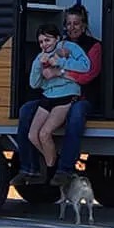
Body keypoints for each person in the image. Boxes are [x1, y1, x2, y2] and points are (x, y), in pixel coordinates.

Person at [15, 4, 102, 187]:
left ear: (84, 25)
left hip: (82, 97)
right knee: (25, 111)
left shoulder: (93, 46)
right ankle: (29, 167)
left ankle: (65, 169)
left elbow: (88, 75)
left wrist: (60, 71)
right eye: (68, 24)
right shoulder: (56, 45)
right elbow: (38, 79)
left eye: (76, 23)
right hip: (52, 94)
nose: (72, 27)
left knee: (76, 114)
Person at [24, 23, 90, 174]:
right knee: (32, 135)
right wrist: (38, 64)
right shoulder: (41, 57)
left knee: (45, 133)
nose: (44, 44)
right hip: (48, 95)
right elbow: (34, 84)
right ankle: (54, 162)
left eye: (47, 40)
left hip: (66, 94)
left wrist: (59, 63)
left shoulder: (68, 48)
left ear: (57, 39)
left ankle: (51, 172)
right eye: (41, 42)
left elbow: (86, 66)